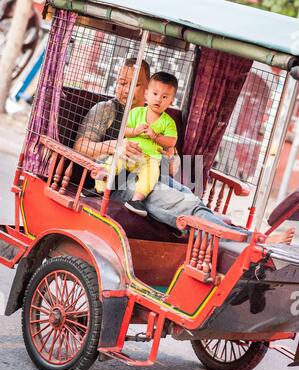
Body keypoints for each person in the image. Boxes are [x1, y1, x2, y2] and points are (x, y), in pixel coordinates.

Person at [74, 58, 295, 245]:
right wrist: (115, 145)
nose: (125, 90)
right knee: (183, 203)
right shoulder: (106, 110)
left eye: (135, 85)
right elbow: (80, 146)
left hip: (152, 175)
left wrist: (170, 158)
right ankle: (248, 241)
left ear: (148, 89)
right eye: (121, 83)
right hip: (118, 178)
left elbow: (173, 161)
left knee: (191, 197)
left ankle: (241, 235)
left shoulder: (161, 121)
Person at [94, 72, 178, 216]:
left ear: (171, 101)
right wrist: (135, 130)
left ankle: (136, 200)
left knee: (151, 174)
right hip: (129, 153)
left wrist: (155, 136)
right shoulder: (136, 112)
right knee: (114, 160)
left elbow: (171, 141)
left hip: (149, 159)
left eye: (164, 97)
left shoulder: (168, 122)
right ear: (147, 94)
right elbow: (124, 131)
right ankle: (99, 187)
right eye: (155, 94)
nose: (158, 99)